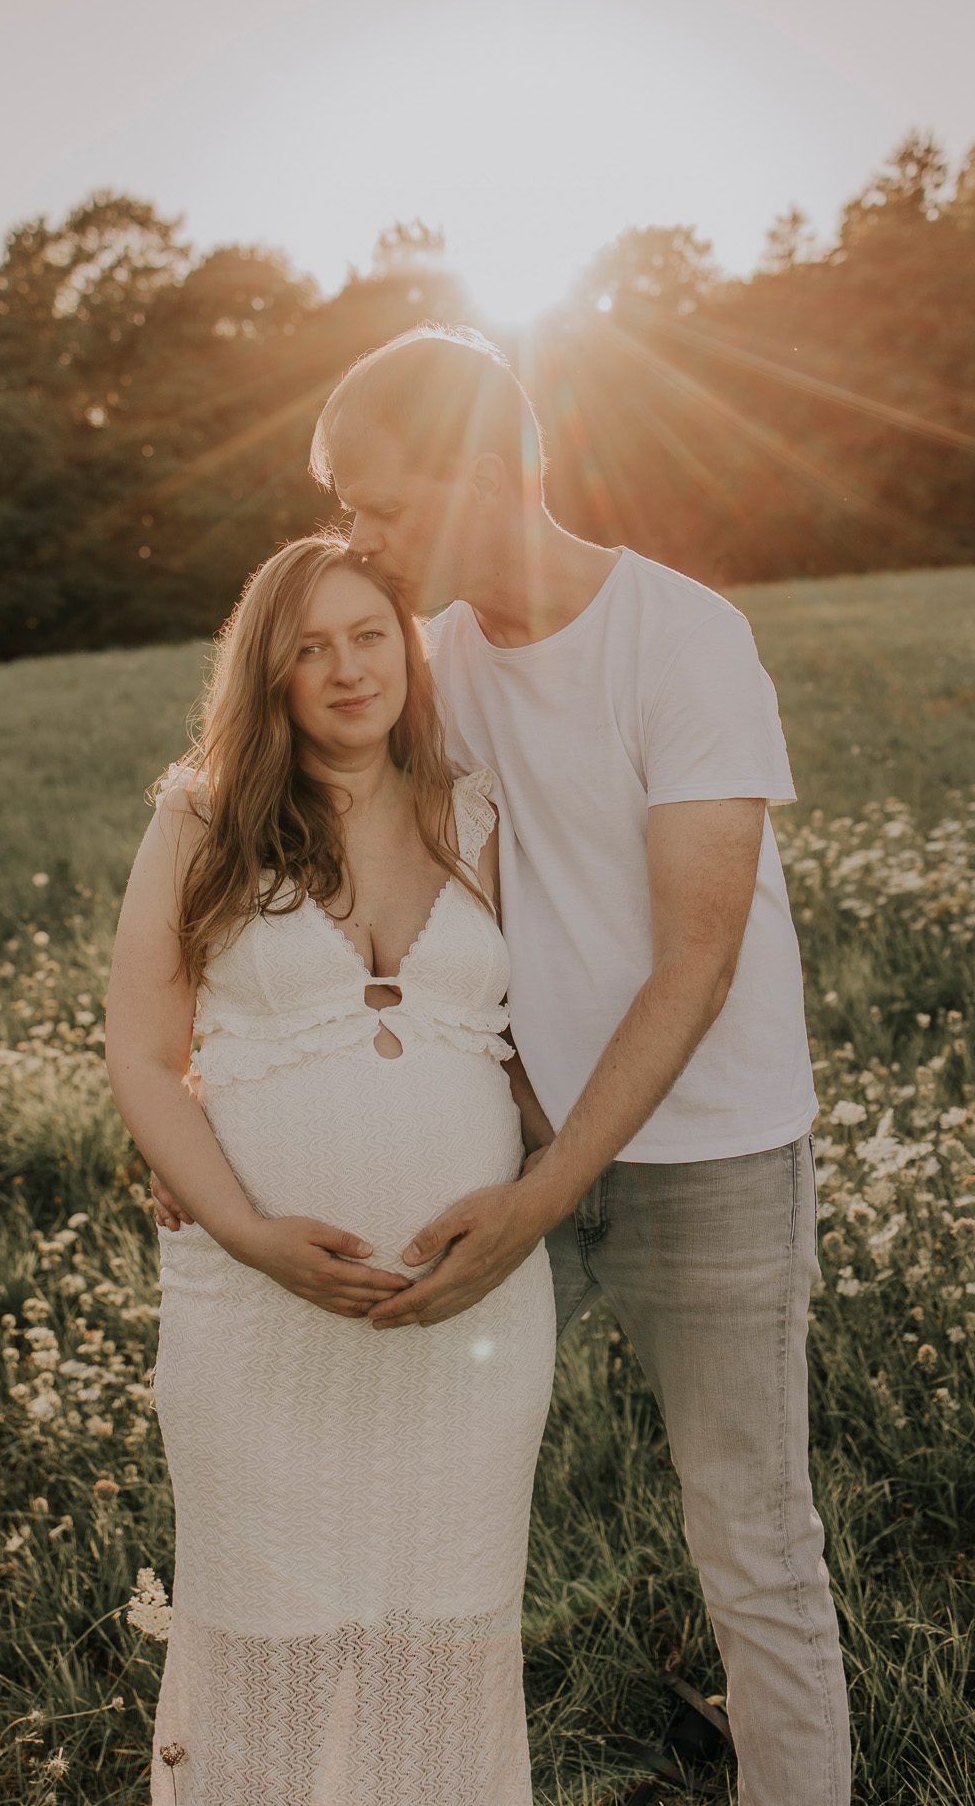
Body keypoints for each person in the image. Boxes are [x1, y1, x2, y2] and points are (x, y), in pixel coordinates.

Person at [153, 325, 853, 1805]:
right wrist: (211, 1112)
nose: (358, 538)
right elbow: (317, 877)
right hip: (502, 1149)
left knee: (751, 1537)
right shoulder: (432, 666)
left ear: (483, 474)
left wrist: (544, 1195)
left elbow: (695, 964)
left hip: (707, 1154)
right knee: (406, 1502)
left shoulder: (681, 640)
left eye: (379, 502)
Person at [106, 535, 557, 1806]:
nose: (348, 669)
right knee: (265, 1643)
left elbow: (532, 1040)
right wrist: (244, 1230)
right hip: (258, 1317)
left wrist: (537, 1184)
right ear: (270, 673)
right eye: (310, 648)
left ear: (406, 650)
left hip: (464, 1323)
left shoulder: (473, 810)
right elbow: (142, 1052)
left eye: (369, 636)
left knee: (445, 1635)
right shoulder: (201, 816)